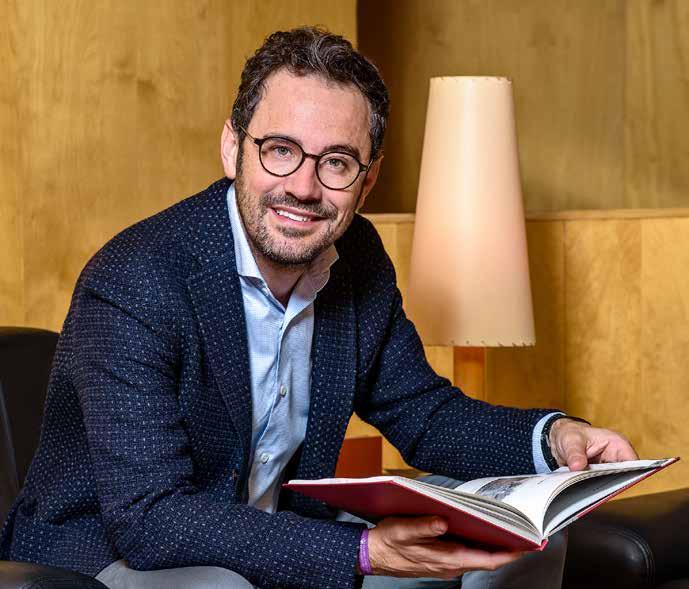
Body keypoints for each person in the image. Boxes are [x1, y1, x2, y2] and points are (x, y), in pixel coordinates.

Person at [0, 26, 637, 589]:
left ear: (369, 178)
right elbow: (151, 518)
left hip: (278, 534)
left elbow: (423, 415)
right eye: (280, 150)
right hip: (106, 556)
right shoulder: (136, 278)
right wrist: (363, 551)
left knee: (509, 538)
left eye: (336, 162)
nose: (303, 187)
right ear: (232, 148)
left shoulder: (356, 258)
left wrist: (554, 437)